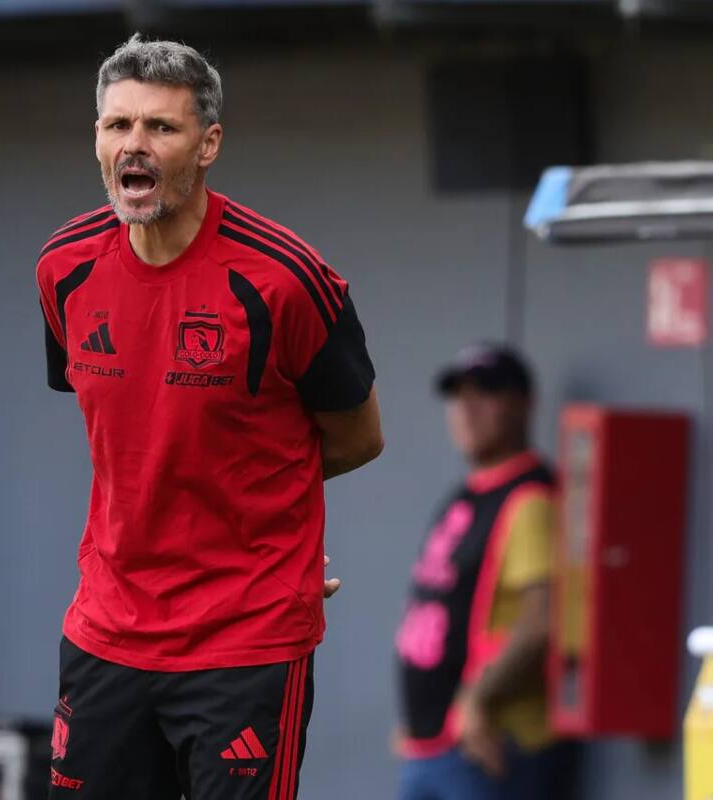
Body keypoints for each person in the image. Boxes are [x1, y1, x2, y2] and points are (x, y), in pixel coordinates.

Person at [35, 35, 383, 800]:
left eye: (161, 127)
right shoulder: (63, 270)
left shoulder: (286, 280)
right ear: (96, 138)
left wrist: (267, 523)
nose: (135, 144)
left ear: (208, 144)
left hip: (245, 639)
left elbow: (359, 435)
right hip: (107, 633)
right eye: (117, 125)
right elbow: (137, 437)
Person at [394, 343, 575, 800]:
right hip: (432, 744)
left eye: (486, 393)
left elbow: (541, 621)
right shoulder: (469, 494)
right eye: (458, 396)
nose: (466, 410)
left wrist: (476, 700)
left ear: (524, 403)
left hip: (490, 742)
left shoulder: (530, 498)